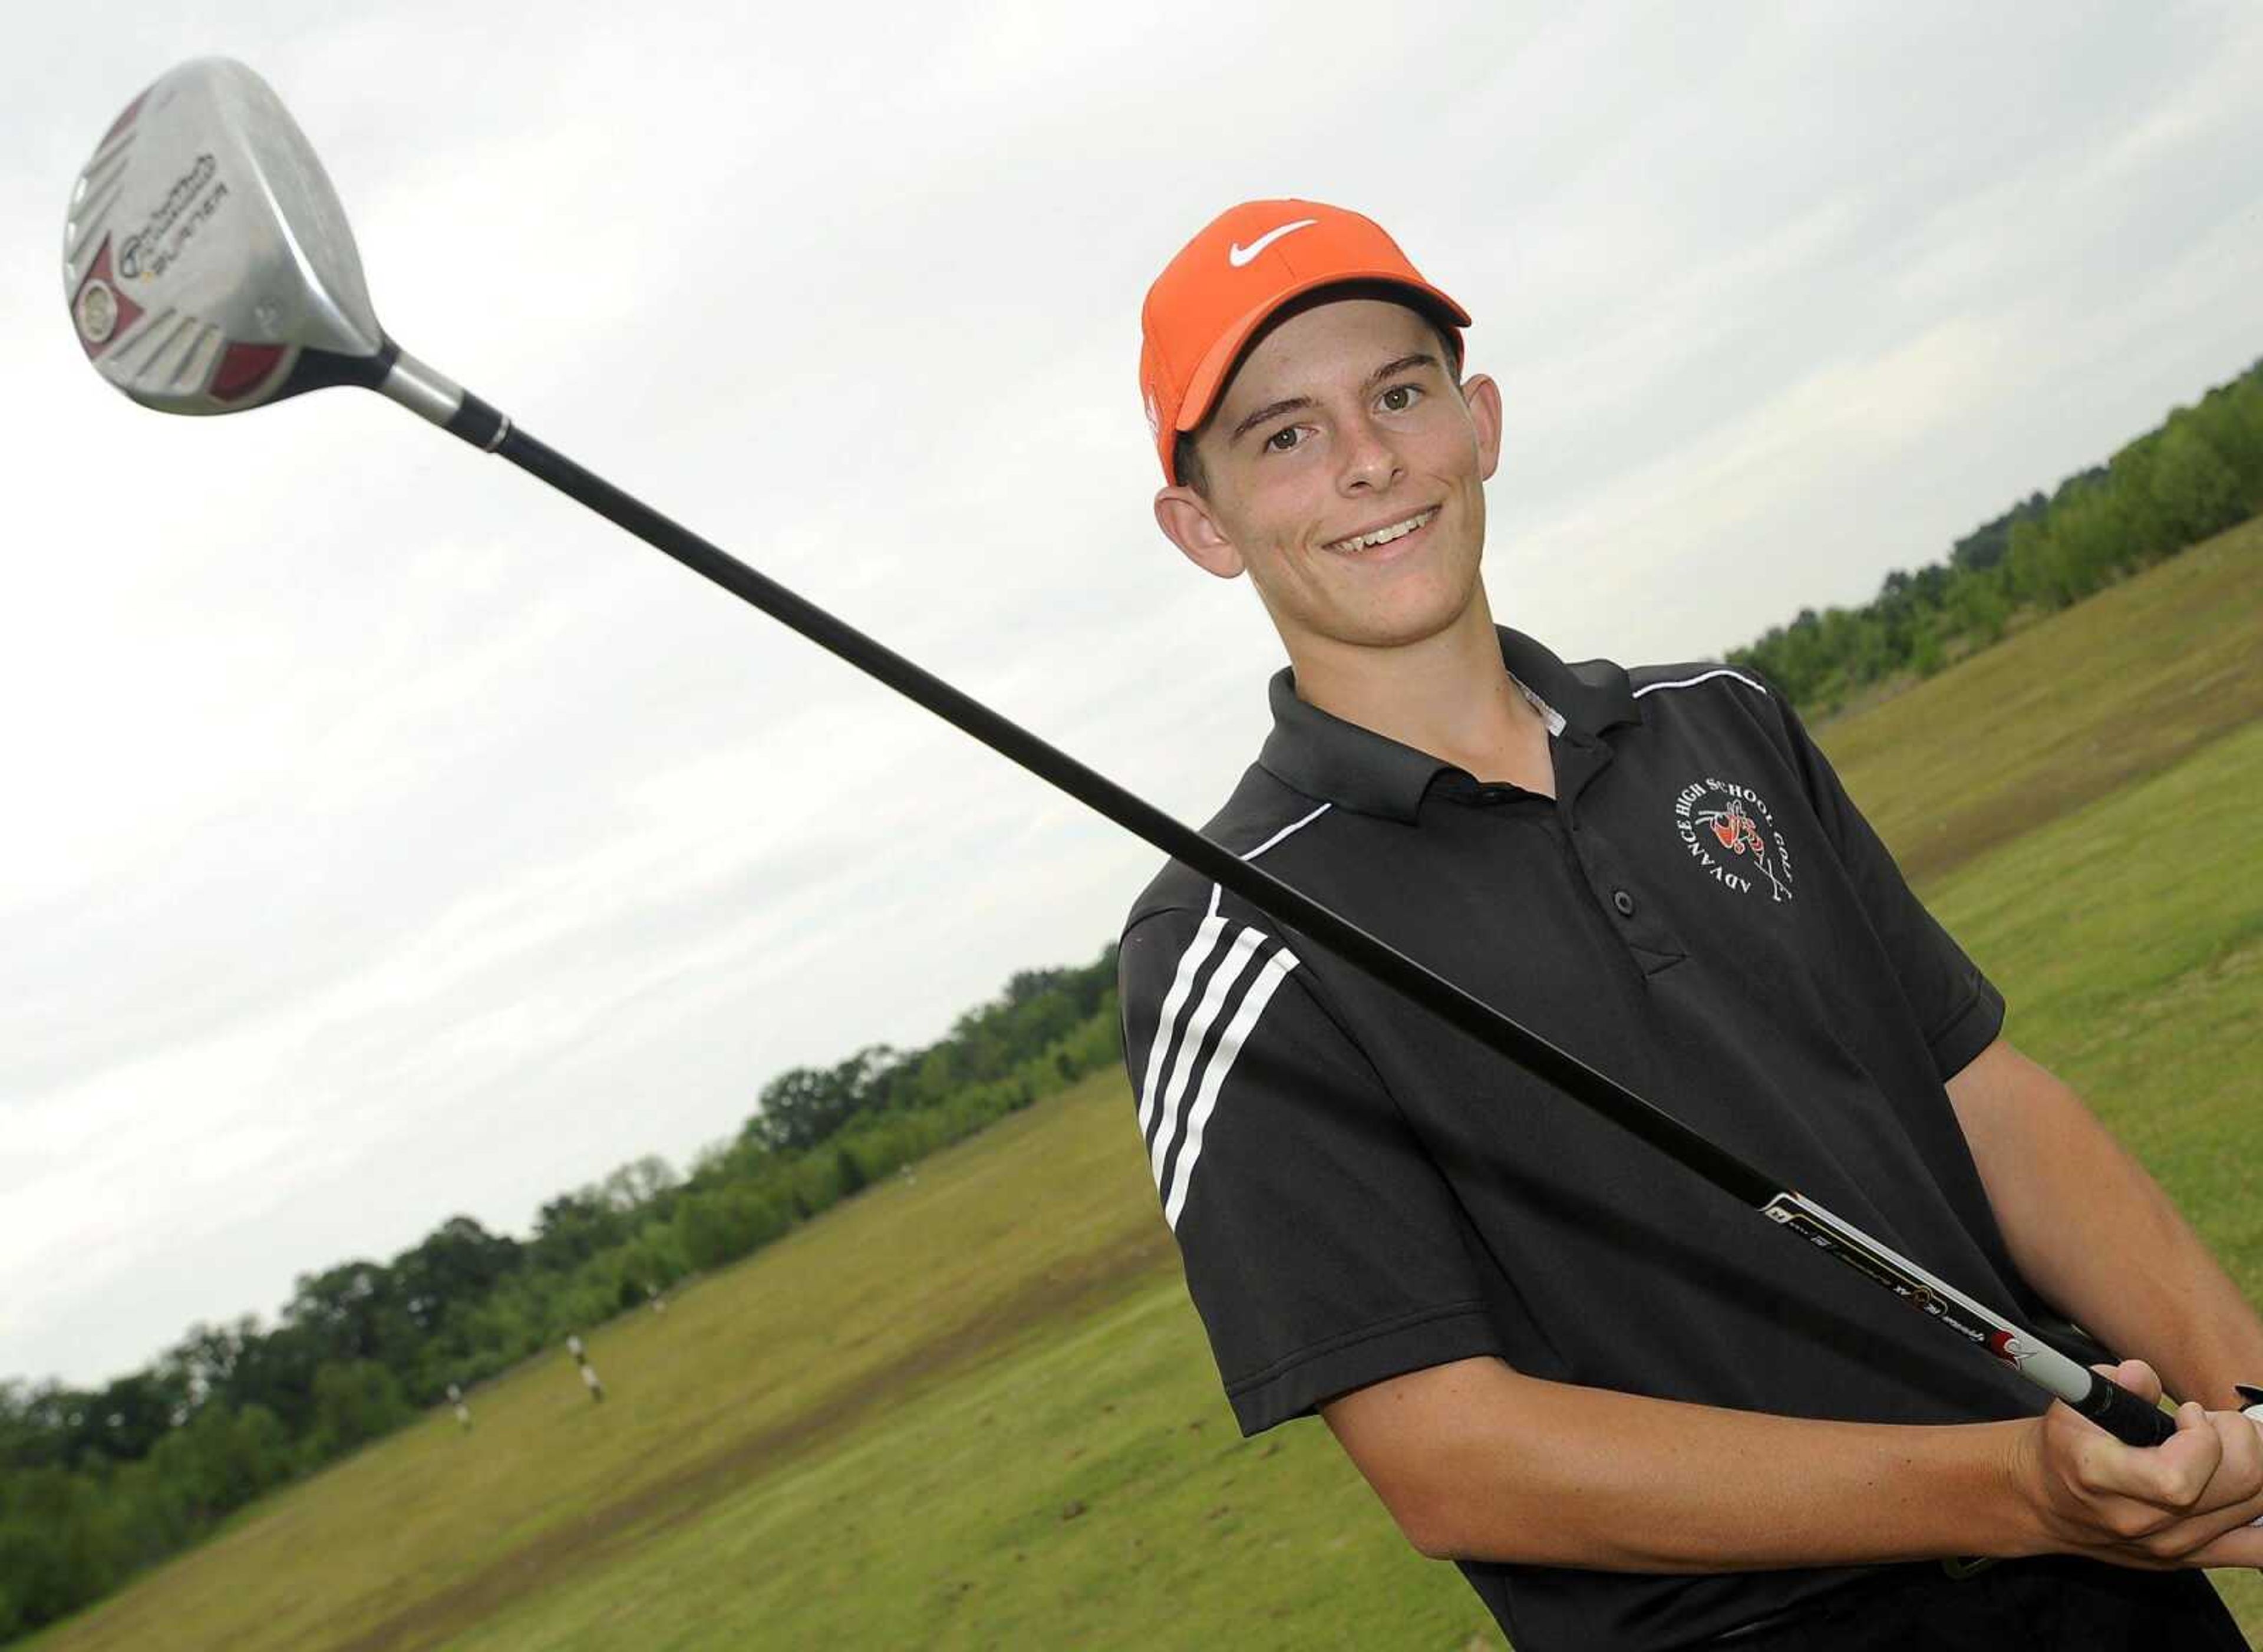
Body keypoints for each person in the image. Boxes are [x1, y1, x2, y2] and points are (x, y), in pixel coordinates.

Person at [1116, 199, 2263, 1650]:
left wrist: (2251, 1402)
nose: (1366, 460)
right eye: (1284, 434)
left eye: (1399, 393)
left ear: (1479, 420)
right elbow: (1450, 1458)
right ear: (1204, 527)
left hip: (2106, 1593)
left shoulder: (1719, 721)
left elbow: (1978, 1098)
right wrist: (2008, 1489)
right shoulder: (1225, 945)